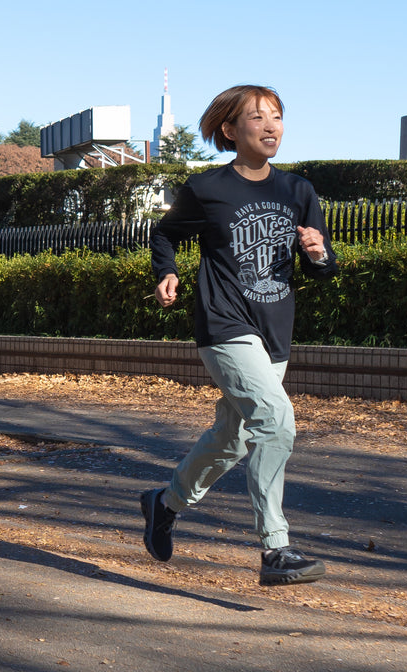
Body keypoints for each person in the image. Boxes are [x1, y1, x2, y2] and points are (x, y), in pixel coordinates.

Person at [142, 85, 337, 586]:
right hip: (225, 326)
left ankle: (165, 503)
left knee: (232, 440)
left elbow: (323, 269)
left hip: (274, 329)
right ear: (231, 130)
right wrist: (168, 270)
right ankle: (276, 549)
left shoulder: (299, 191)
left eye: (276, 116)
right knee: (276, 422)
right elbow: (165, 233)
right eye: (258, 117)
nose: (271, 126)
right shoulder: (208, 189)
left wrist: (318, 253)